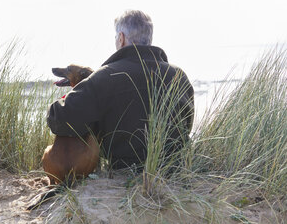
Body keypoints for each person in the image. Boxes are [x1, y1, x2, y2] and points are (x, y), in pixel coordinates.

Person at [47, 10, 194, 170]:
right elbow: (187, 124)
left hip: (124, 170)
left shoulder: (104, 77)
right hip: (175, 170)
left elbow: (59, 119)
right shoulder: (179, 76)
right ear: (149, 39)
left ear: (121, 38)